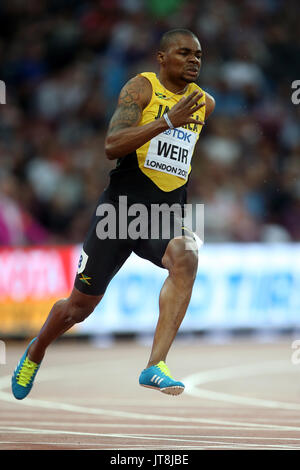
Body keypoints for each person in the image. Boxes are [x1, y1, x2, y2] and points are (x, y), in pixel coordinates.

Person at [12, 28, 215, 399]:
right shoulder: (140, 88)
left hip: (164, 215)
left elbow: (177, 159)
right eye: (184, 53)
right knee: (77, 309)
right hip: (119, 213)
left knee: (187, 256)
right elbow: (111, 146)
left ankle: (155, 364)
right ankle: (36, 350)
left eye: (198, 55)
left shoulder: (205, 103)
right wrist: (167, 121)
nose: (193, 60)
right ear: (162, 57)